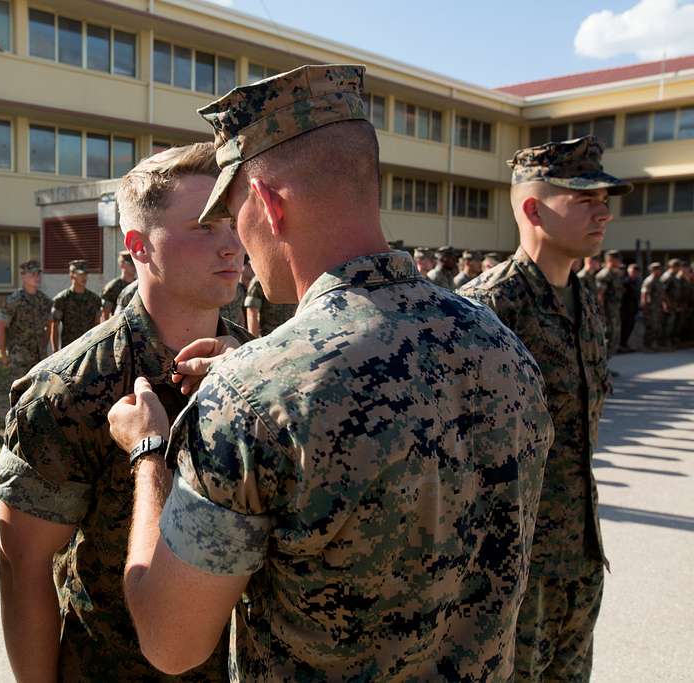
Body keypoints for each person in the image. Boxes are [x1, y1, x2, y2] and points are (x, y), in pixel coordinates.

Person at [107, 64, 552, 681]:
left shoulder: (252, 398)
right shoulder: (504, 349)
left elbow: (170, 641)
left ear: (265, 204)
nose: (235, 241)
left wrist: (151, 453)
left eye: (232, 213)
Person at [0, 143, 248, 682]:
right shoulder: (71, 388)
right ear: (139, 247)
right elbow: (23, 564)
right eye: (205, 227)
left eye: (233, 222)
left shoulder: (262, 365)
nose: (232, 245)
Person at [460, 135, 632, 682]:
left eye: (605, 199)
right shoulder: (486, 309)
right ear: (533, 209)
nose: (603, 211)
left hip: (578, 558)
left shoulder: (586, 300)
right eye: (584, 199)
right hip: (511, 572)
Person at [0, 259, 52, 385]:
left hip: (39, 359)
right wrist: (3, 355)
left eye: (38, 274)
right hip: (19, 360)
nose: (37, 277)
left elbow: (49, 325)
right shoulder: (14, 300)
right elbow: (1, 327)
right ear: (23, 276)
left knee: (38, 394)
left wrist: (44, 345)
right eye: (33, 274)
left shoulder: (44, 301)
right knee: (20, 394)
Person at [50, 259, 102, 350]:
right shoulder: (61, 299)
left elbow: (97, 325)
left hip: (88, 348)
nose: (84, 277)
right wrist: (55, 351)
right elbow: (54, 327)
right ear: (72, 275)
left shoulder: (94, 299)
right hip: (69, 349)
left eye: (85, 274)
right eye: (80, 274)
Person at [596, 250, 625, 357]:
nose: (620, 262)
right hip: (607, 312)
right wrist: (602, 312)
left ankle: (607, 366)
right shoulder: (604, 275)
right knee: (608, 337)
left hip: (614, 310)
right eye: (618, 259)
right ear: (611, 260)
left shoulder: (615, 274)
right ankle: (603, 367)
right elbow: (600, 296)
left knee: (614, 337)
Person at [101, 251, 136, 321]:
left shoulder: (138, 284)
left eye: (135, 263)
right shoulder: (112, 287)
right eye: (131, 264)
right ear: (122, 264)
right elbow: (105, 315)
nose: (134, 267)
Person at [219, 255, 252, 328]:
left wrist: (241, 330)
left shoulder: (240, 289)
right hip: (223, 330)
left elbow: (240, 312)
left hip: (235, 330)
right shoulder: (216, 290)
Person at [660, 258, 683, 349]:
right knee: (668, 324)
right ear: (674, 267)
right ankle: (665, 343)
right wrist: (666, 304)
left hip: (674, 304)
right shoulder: (667, 276)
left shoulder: (674, 276)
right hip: (668, 305)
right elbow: (663, 292)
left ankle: (669, 342)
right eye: (678, 267)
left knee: (672, 324)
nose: (680, 269)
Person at [642, 262, 664, 351]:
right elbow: (644, 295)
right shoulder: (649, 280)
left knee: (657, 326)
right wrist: (644, 308)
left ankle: (654, 344)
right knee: (651, 326)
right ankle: (647, 345)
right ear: (653, 270)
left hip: (657, 307)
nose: (660, 271)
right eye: (658, 269)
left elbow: (662, 294)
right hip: (651, 308)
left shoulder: (658, 280)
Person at [619, 263, 641, 352]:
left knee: (630, 327)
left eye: (635, 272)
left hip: (633, 308)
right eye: (632, 272)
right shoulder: (625, 282)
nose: (634, 274)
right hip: (625, 309)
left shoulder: (638, 282)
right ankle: (621, 345)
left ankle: (624, 344)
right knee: (624, 327)